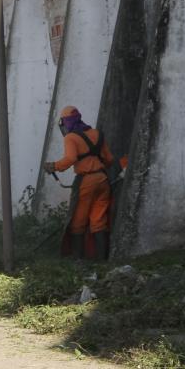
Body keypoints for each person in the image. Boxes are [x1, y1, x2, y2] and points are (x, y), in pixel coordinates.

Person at [43, 106, 115, 260]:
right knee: (98, 221)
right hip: (103, 180)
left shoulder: (71, 138)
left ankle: (78, 261)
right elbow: (109, 159)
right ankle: (102, 262)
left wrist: (54, 166)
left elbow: (70, 159)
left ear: (65, 123)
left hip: (86, 182)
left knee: (78, 222)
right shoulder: (96, 133)